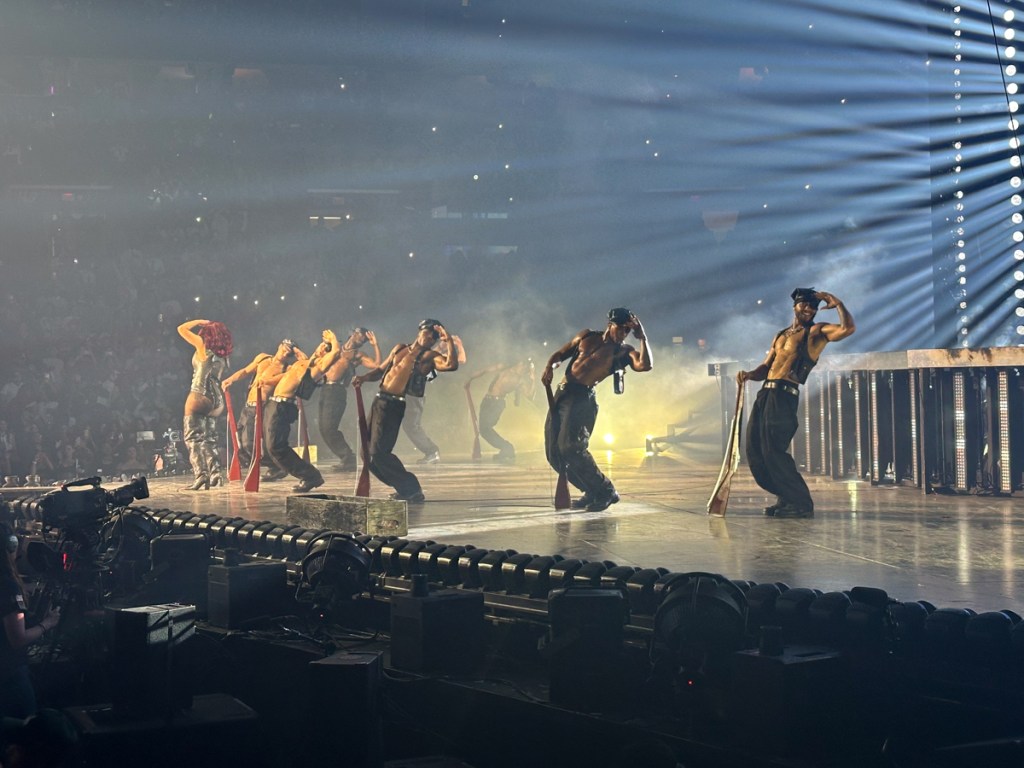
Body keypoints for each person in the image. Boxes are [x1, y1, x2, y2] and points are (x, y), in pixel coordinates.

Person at [737, 288, 855, 519]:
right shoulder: (781, 335)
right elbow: (767, 366)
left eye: (813, 306)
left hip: (784, 396)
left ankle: (801, 503)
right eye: (805, 305)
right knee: (755, 450)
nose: (810, 310)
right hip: (765, 394)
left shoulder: (816, 332)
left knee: (774, 450)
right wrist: (750, 374)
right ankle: (785, 496)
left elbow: (848, 329)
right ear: (795, 306)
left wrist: (837, 302)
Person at [541, 308, 652, 512]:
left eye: (628, 330)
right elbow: (561, 354)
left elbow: (645, 365)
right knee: (554, 453)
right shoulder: (586, 336)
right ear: (610, 324)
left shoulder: (624, 351)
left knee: (571, 448)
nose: (623, 333)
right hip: (562, 395)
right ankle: (591, 491)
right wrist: (550, 366)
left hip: (582, 401)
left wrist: (642, 337)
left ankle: (606, 490)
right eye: (621, 328)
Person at [352, 319, 460, 502]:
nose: (430, 339)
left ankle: (411, 488)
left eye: (435, 337)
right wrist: (363, 378)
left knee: (379, 453)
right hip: (379, 401)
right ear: (420, 331)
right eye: (428, 334)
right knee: (366, 454)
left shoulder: (429, 357)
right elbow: (380, 370)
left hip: (394, 406)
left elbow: (451, 365)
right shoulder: (399, 348)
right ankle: (405, 488)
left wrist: (448, 340)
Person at [258, 330, 341, 493]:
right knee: (269, 446)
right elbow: (297, 366)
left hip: (283, 407)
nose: (321, 349)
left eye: (325, 348)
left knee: (276, 446)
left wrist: (333, 339)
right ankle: (305, 474)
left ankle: (310, 476)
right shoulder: (304, 363)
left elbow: (336, 352)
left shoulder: (318, 367)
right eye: (321, 345)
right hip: (274, 404)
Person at [0, 520, 59, 719]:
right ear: (10, 546)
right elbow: (18, 639)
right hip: (10, 677)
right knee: (25, 728)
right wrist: (47, 624)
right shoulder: (8, 587)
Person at [221, 340, 299, 479]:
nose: (286, 352)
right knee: (238, 440)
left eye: (289, 352)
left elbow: (286, 378)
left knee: (249, 443)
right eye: (285, 349)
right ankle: (270, 465)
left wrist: (267, 381)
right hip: (248, 405)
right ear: (280, 346)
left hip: (262, 407)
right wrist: (230, 379)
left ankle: (276, 467)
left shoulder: (287, 369)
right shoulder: (262, 357)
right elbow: (245, 371)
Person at [177, 319, 233, 491]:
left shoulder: (202, 346)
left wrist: (200, 321)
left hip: (200, 395)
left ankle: (201, 476)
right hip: (217, 401)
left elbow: (181, 328)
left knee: (193, 438)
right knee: (209, 439)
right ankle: (216, 473)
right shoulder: (223, 356)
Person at [318, 327, 380, 472]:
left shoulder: (357, 355)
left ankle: (348, 458)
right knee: (323, 429)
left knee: (329, 428)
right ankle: (347, 458)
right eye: (361, 336)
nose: (363, 339)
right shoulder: (334, 348)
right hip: (325, 389)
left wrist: (374, 345)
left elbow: (376, 365)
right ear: (353, 333)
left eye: (365, 339)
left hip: (337, 392)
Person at [402, 331, 466, 465]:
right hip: (408, 391)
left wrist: (458, 344)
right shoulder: (431, 351)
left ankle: (432, 452)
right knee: (406, 425)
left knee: (411, 426)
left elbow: (462, 360)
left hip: (415, 394)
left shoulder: (441, 357)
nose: (442, 344)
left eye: (445, 342)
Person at [466, 359, 536, 463]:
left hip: (497, 404)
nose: (524, 369)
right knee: (484, 430)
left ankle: (507, 448)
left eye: (526, 368)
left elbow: (530, 396)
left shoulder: (520, 380)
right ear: (519, 363)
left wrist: (533, 379)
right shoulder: (504, 367)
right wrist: (470, 379)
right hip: (487, 401)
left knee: (485, 429)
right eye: (524, 366)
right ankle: (506, 449)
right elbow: (485, 370)